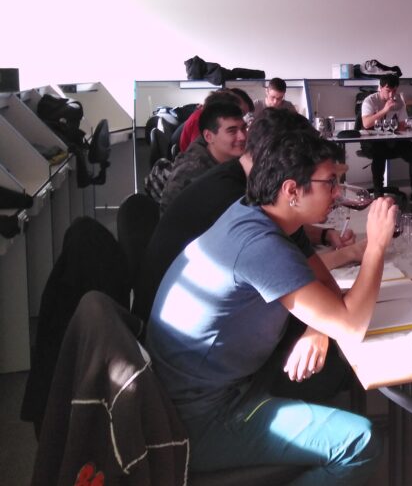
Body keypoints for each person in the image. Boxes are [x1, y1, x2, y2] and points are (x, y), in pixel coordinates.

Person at [146, 127, 395, 486]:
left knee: (327, 371)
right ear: (292, 190)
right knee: (361, 443)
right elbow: (351, 326)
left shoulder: (256, 214)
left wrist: (317, 326)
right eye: (330, 183)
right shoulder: (261, 246)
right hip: (201, 418)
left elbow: (326, 290)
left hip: (221, 384)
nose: (338, 192)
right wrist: (376, 247)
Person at [134, 108, 362, 325]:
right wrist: (357, 253)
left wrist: (324, 235)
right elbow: (291, 270)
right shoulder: (234, 200)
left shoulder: (258, 189)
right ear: (279, 158)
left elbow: (301, 259)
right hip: (172, 320)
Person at [158, 100, 248, 212]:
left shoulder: (228, 158)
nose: (242, 137)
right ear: (208, 136)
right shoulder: (192, 173)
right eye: (232, 131)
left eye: (243, 128)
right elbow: (169, 215)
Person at [361, 75, 412, 204]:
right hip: (372, 141)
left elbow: (402, 126)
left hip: (392, 138)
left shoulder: (398, 101)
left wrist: (405, 123)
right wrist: (385, 110)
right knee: (379, 153)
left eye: (394, 91)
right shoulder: (370, 101)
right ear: (380, 88)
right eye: (388, 90)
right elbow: (366, 123)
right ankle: (378, 194)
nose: (391, 94)